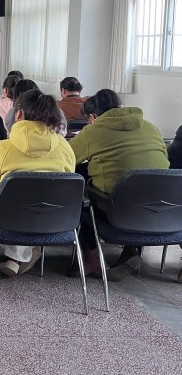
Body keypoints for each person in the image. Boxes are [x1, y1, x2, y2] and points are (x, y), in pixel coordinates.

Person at [69, 90, 169, 277]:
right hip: (164, 211)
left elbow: (66, 159)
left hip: (118, 212)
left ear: (92, 117)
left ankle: (92, 258)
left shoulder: (92, 131)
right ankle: (131, 249)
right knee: (140, 185)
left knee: (76, 193)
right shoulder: (151, 127)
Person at [0, 90, 76, 276]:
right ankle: (23, 255)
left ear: (18, 114)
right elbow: (67, 181)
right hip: (53, 218)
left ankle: (18, 257)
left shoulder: (3, 148)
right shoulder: (65, 147)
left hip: (10, 218)